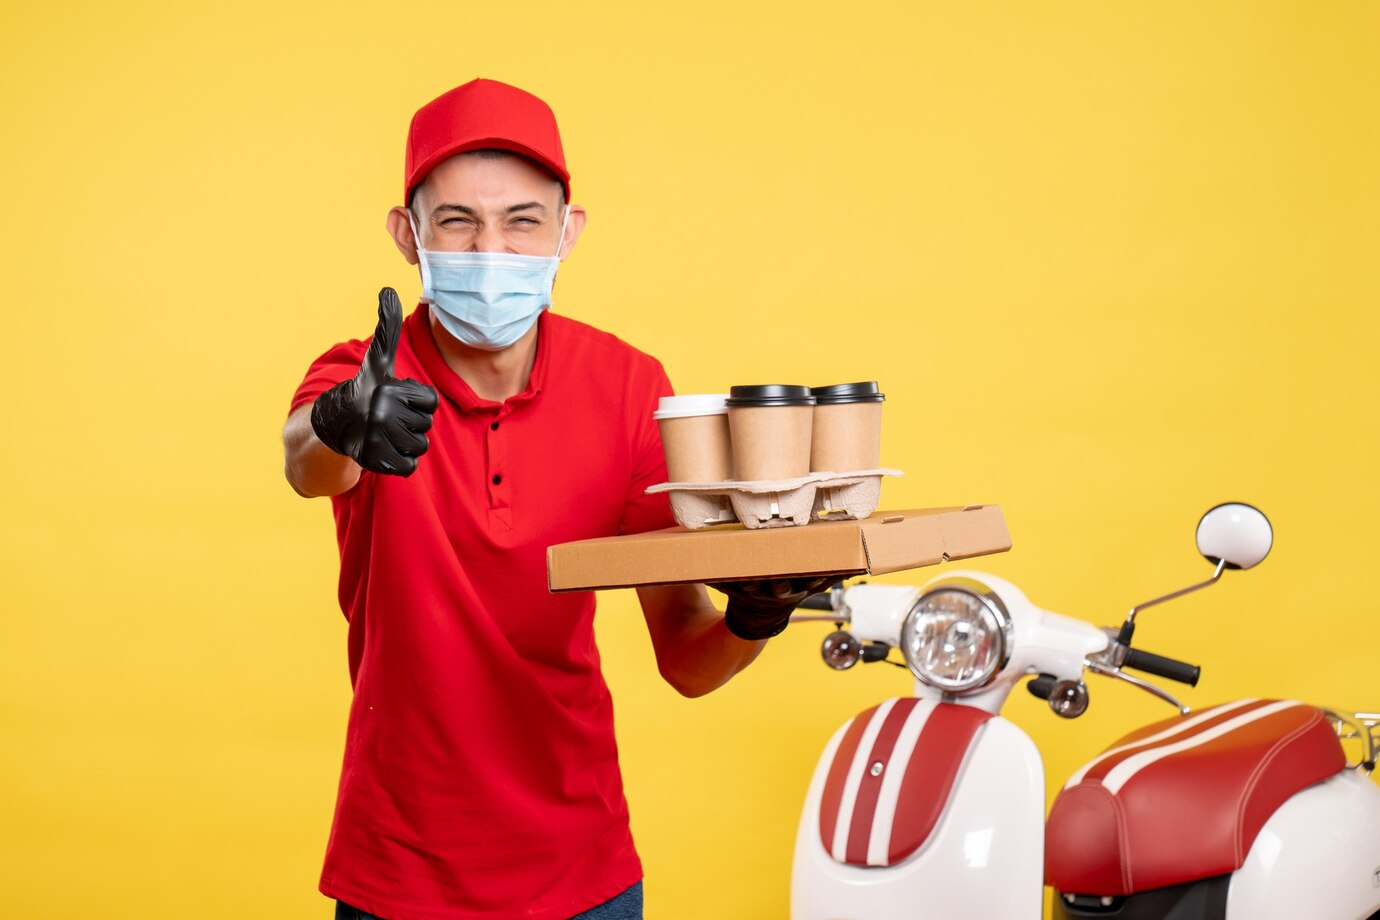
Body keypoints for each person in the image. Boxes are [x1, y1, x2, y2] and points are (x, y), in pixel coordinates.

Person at [283, 78, 836, 920]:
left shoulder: (628, 388)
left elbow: (686, 656)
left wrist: (752, 620)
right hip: (397, 869)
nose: (491, 249)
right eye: (458, 221)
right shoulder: (363, 376)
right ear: (409, 235)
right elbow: (306, 463)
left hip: (583, 874)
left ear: (567, 232)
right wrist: (342, 423)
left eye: (522, 221)